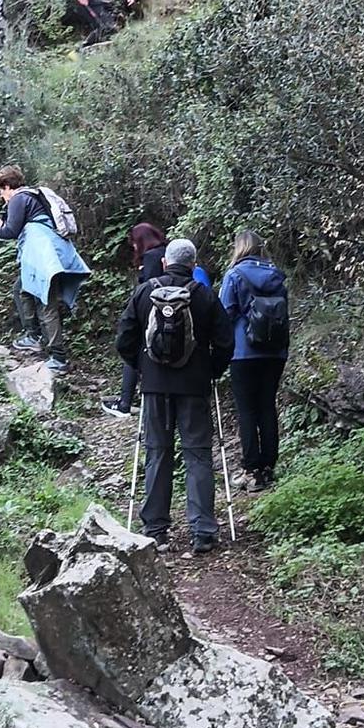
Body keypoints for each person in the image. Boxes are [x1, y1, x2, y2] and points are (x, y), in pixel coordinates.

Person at [115, 236, 235, 554]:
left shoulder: (144, 292)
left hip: (154, 387)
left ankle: (156, 531)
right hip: (194, 387)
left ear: (165, 262)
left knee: (157, 453)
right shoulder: (205, 295)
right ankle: (203, 531)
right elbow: (225, 343)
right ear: (193, 265)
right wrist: (210, 371)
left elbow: (124, 340)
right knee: (197, 456)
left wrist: (143, 367)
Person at [0, 165, 90, 373]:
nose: (2, 197)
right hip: (50, 254)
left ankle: (58, 358)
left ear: (8, 186)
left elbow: (11, 231)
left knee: (46, 304)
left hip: (44, 257)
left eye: (1, 191)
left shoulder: (19, 198)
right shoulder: (31, 197)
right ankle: (33, 336)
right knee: (22, 291)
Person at [220, 229, 291, 492]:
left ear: (239, 248)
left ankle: (251, 470)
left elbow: (224, 313)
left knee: (247, 410)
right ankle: (268, 466)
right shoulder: (276, 275)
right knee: (267, 407)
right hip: (275, 352)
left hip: (243, 352)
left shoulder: (234, 275)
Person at [102, 221, 168, 418]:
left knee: (133, 348)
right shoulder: (167, 251)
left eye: (134, 243)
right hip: (171, 311)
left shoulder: (150, 257)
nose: (133, 248)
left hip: (150, 312)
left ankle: (125, 402)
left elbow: (146, 288)